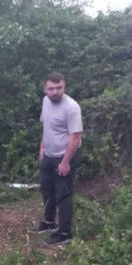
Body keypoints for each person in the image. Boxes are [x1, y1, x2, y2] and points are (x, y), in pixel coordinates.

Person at [37, 71, 83, 245]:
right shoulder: (45, 101)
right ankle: (49, 223)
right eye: (51, 88)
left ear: (64, 86)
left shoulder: (71, 107)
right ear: (45, 89)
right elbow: (47, 126)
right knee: (46, 190)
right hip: (48, 155)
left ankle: (64, 233)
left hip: (65, 157)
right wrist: (42, 147)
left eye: (59, 88)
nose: (55, 92)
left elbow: (76, 137)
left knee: (63, 195)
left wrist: (65, 162)